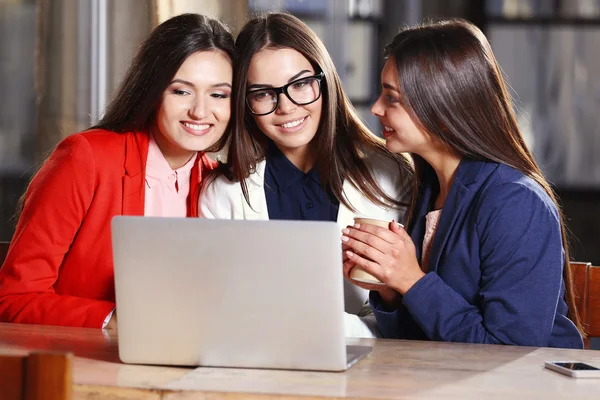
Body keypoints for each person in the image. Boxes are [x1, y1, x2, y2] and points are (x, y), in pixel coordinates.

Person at [341, 19, 584, 348]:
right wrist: (390, 286)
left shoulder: (514, 202)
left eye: (392, 98)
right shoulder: (428, 188)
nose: (376, 108)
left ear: (442, 105)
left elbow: (511, 350)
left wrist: (411, 280)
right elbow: (423, 337)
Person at [0, 14, 235, 329]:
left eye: (218, 95)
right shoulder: (86, 159)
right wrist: (111, 320)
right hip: (79, 364)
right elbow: (13, 297)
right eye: (181, 91)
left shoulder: (218, 184)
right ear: (152, 92)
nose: (201, 111)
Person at [199, 12, 412, 338]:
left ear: (325, 82)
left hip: (369, 367)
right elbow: (220, 309)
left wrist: (324, 330)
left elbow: (402, 311)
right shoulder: (222, 193)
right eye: (263, 93)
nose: (286, 107)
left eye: (300, 85)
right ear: (245, 103)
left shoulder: (391, 173)